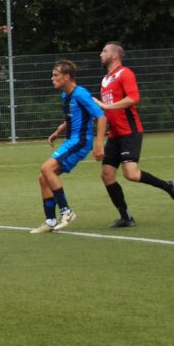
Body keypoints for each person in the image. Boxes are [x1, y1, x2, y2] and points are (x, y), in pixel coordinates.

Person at [94, 42, 174, 228]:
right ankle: (126, 217)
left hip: (130, 132)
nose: (101, 54)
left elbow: (133, 98)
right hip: (115, 135)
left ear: (115, 55)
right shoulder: (105, 80)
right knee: (107, 175)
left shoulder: (125, 73)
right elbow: (107, 111)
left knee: (131, 174)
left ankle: (169, 187)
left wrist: (106, 106)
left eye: (105, 51)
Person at [31, 59, 106, 234]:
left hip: (80, 141)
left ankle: (66, 211)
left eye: (55, 75)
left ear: (66, 77)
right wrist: (58, 131)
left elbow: (101, 117)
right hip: (71, 140)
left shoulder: (81, 94)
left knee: (46, 169)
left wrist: (99, 145)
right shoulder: (66, 95)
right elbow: (72, 117)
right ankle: (50, 221)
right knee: (44, 178)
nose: (52, 78)